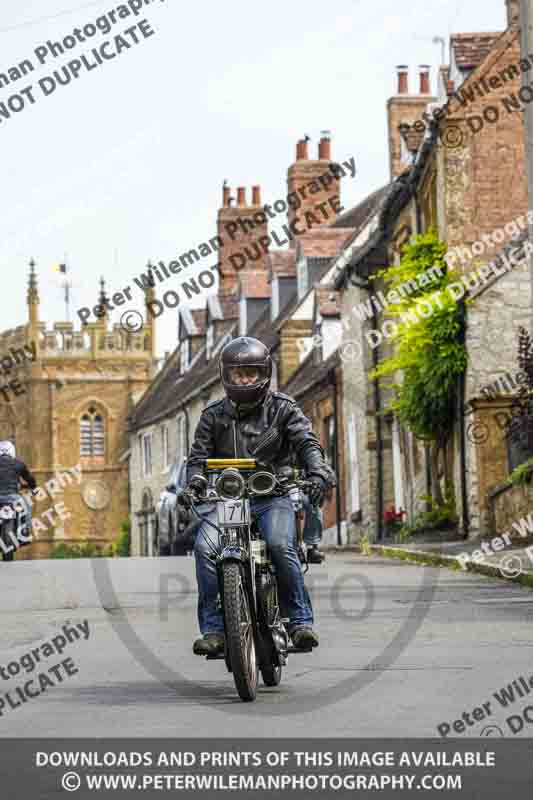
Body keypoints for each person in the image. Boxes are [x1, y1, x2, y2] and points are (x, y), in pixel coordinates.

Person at [186, 336, 334, 657]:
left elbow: (307, 442)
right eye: (238, 374)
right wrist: (195, 482)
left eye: (251, 373)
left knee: (280, 545)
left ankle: (299, 622)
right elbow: (198, 457)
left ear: (264, 373)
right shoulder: (213, 415)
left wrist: (317, 470)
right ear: (227, 375)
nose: (245, 380)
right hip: (229, 501)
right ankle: (214, 631)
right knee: (204, 550)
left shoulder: (283, 408)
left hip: (273, 496)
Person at [0, 441, 37, 541]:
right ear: (12, 451)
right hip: (13, 497)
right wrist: (33, 488)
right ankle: (24, 533)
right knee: (27, 506)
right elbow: (30, 479)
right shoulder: (18, 464)